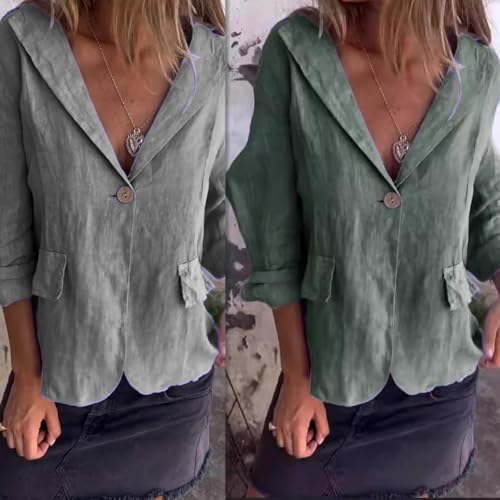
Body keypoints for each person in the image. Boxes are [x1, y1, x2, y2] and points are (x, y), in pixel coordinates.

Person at [227, 0, 500, 497]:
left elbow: (485, 205)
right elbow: (273, 224)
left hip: (438, 381)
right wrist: (297, 377)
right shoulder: (299, 52)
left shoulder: (478, 70)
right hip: (327, 371)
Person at [0, 0, 225, 498]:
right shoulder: (24, 44)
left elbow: (217, 209)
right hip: (58, 378)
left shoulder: (210, 58)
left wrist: (219, 315)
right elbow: (8, 234)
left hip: (176, 380)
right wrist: (28, 375)